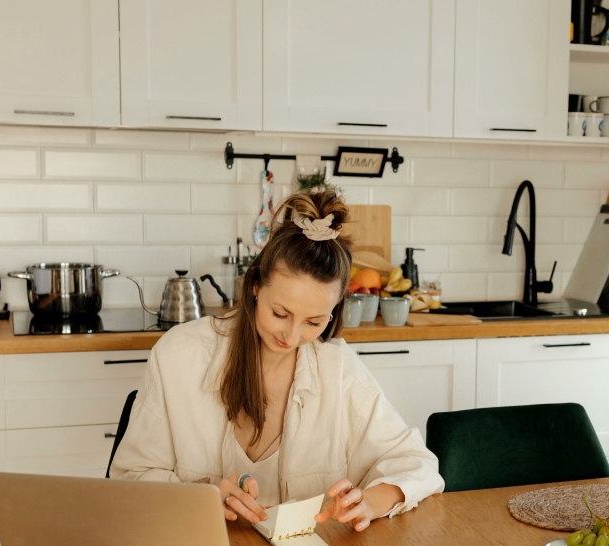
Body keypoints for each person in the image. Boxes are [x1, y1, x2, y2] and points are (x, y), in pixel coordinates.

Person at [109, 190, 444, 528]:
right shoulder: (178, 357)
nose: (292, 336)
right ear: (255, 286)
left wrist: (368, 503)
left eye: (314, 322)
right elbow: (127, 483)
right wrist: (206, 493)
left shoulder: (339, 369)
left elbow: (418, 466)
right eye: (280, 313)